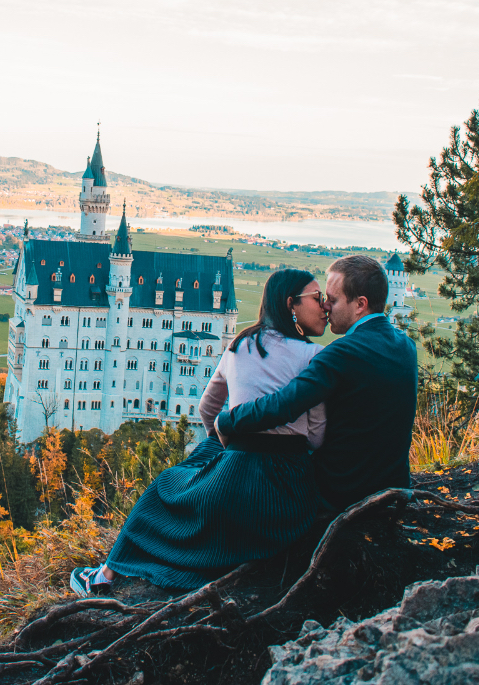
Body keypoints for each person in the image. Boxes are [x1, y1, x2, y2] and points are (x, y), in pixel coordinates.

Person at [71, 268, 329, 595]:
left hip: (235, 477)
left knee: (163, 487)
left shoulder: (240, 345)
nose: (324, 306)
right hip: (287, 497)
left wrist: (224, 447)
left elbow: (208, 408)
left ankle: (104, 576)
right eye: (317, 298)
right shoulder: (316, 357)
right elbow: (316, 437)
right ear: (291, 304)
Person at [214, 255, 417, 516]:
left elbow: (283, 405)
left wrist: (228, 420)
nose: (325, 307)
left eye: (332, 300)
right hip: (393, 489)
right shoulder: (406, 346)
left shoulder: (342, 353)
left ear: (360, 305)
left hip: (342, 494)